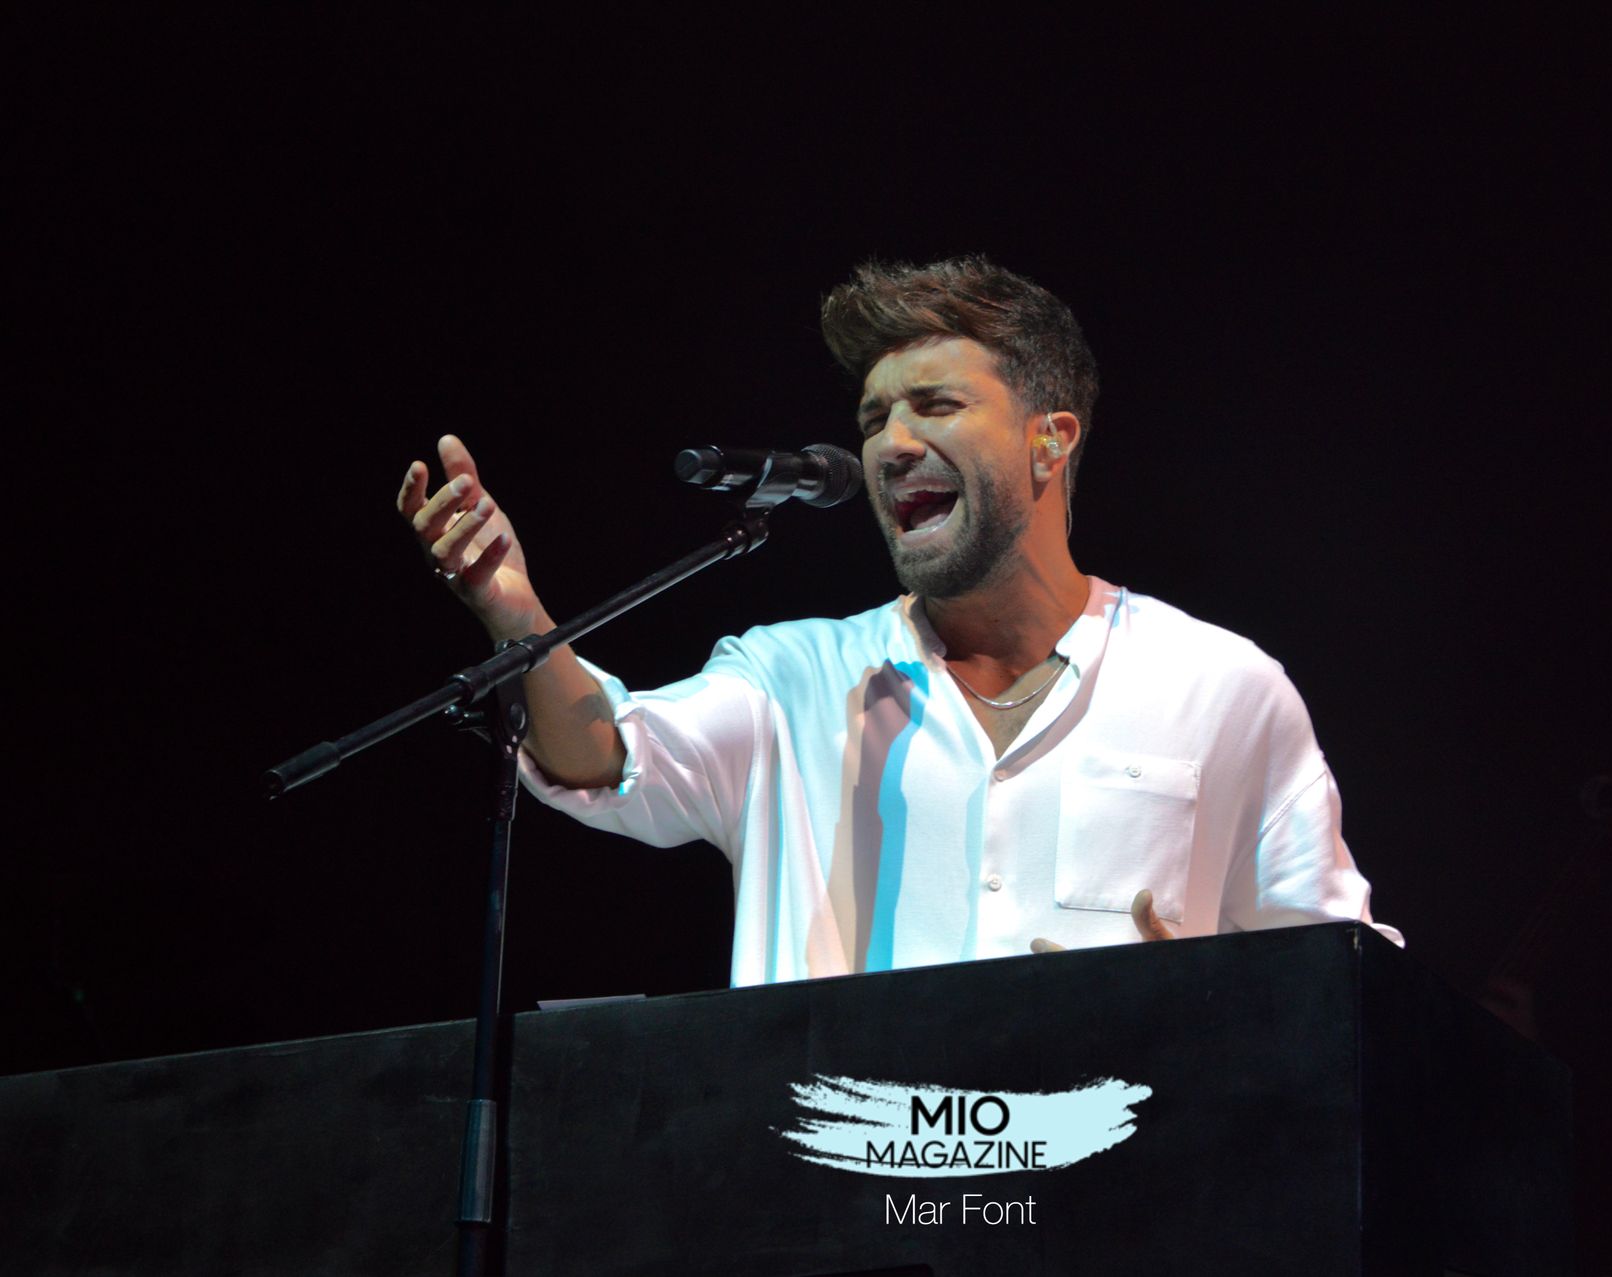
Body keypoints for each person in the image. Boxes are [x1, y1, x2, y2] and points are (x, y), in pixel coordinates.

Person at [396, 256, 1399, 987]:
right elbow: (606, 756)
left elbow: (1347, 980)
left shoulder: (1220, 687)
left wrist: (1223, 1010)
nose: (891, 444)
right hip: (837, 1195)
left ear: (1050, 441)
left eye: (935, 405)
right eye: (874, 419)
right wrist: (515, 612)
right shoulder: (792, 681)